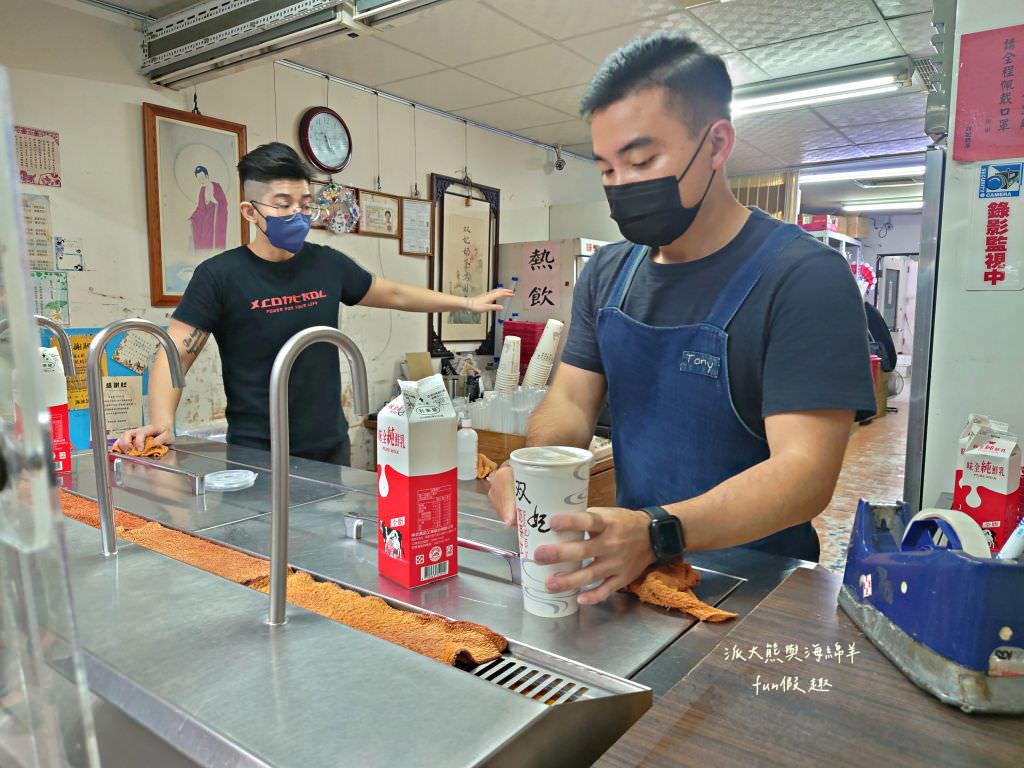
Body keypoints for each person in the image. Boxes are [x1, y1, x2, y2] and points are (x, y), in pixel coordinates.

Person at [488, 33, 876, 605]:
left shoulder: (805, 279)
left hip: (760, 588)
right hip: (637, 576)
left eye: (642, 160)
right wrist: (535, 466)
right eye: (607, 169)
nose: (621, 186)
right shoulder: (607, 274)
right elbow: (570, 402)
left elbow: (805, 473)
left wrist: (657, 532)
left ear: (717, 144)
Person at [118, 142, 510, 466]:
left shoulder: (327, 264)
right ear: (249, 211)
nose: (297, 215)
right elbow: (174, 354)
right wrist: (161, 422)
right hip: (256, 450)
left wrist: (467, 302)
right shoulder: (219, 275)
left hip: (329, 444)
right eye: (282, 203)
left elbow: (392, 293)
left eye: (304, 204)